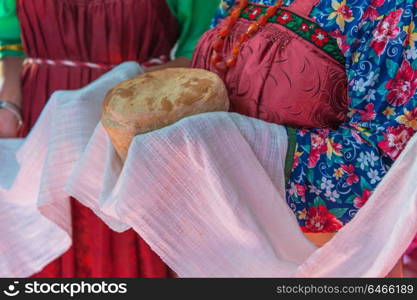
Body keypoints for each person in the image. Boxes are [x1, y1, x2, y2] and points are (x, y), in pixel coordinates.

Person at [190, 0, 417, 277]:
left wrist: (238, 143)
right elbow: (206, 82)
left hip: (325, 265)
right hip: (216, 249)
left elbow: (387, 165)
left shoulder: (388, 8)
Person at [0, 0, 219, 277]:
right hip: (42, 119)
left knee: (121, 247)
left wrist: (112, 89)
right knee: (41, 242)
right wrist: (8, 101)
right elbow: (8, 37)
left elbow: (199, 51)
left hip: (129, 118)